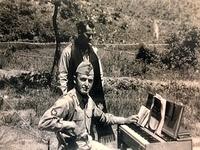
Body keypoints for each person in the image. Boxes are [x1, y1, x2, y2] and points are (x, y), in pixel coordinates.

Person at [39, 61, 138, 150]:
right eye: (83, 79)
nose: (86, 84)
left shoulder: (89, 100)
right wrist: (69, 124)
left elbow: (104, 118)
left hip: (87, 145)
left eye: (90, 81)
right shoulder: (67, 101)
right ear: (75, 79)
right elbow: (43, 122)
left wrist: (125, 120)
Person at [58, 20, 112, 141]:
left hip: (91, 97)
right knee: (74, 132)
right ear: (79, 32)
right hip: (74, 98)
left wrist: (96, 92)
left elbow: (100, 75)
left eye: (93, 34)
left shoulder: (94, 51)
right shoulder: (68, 52)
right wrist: (67, 98)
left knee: (91, 128)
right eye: (88, 34)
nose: (91, 38)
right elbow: (63, 76)